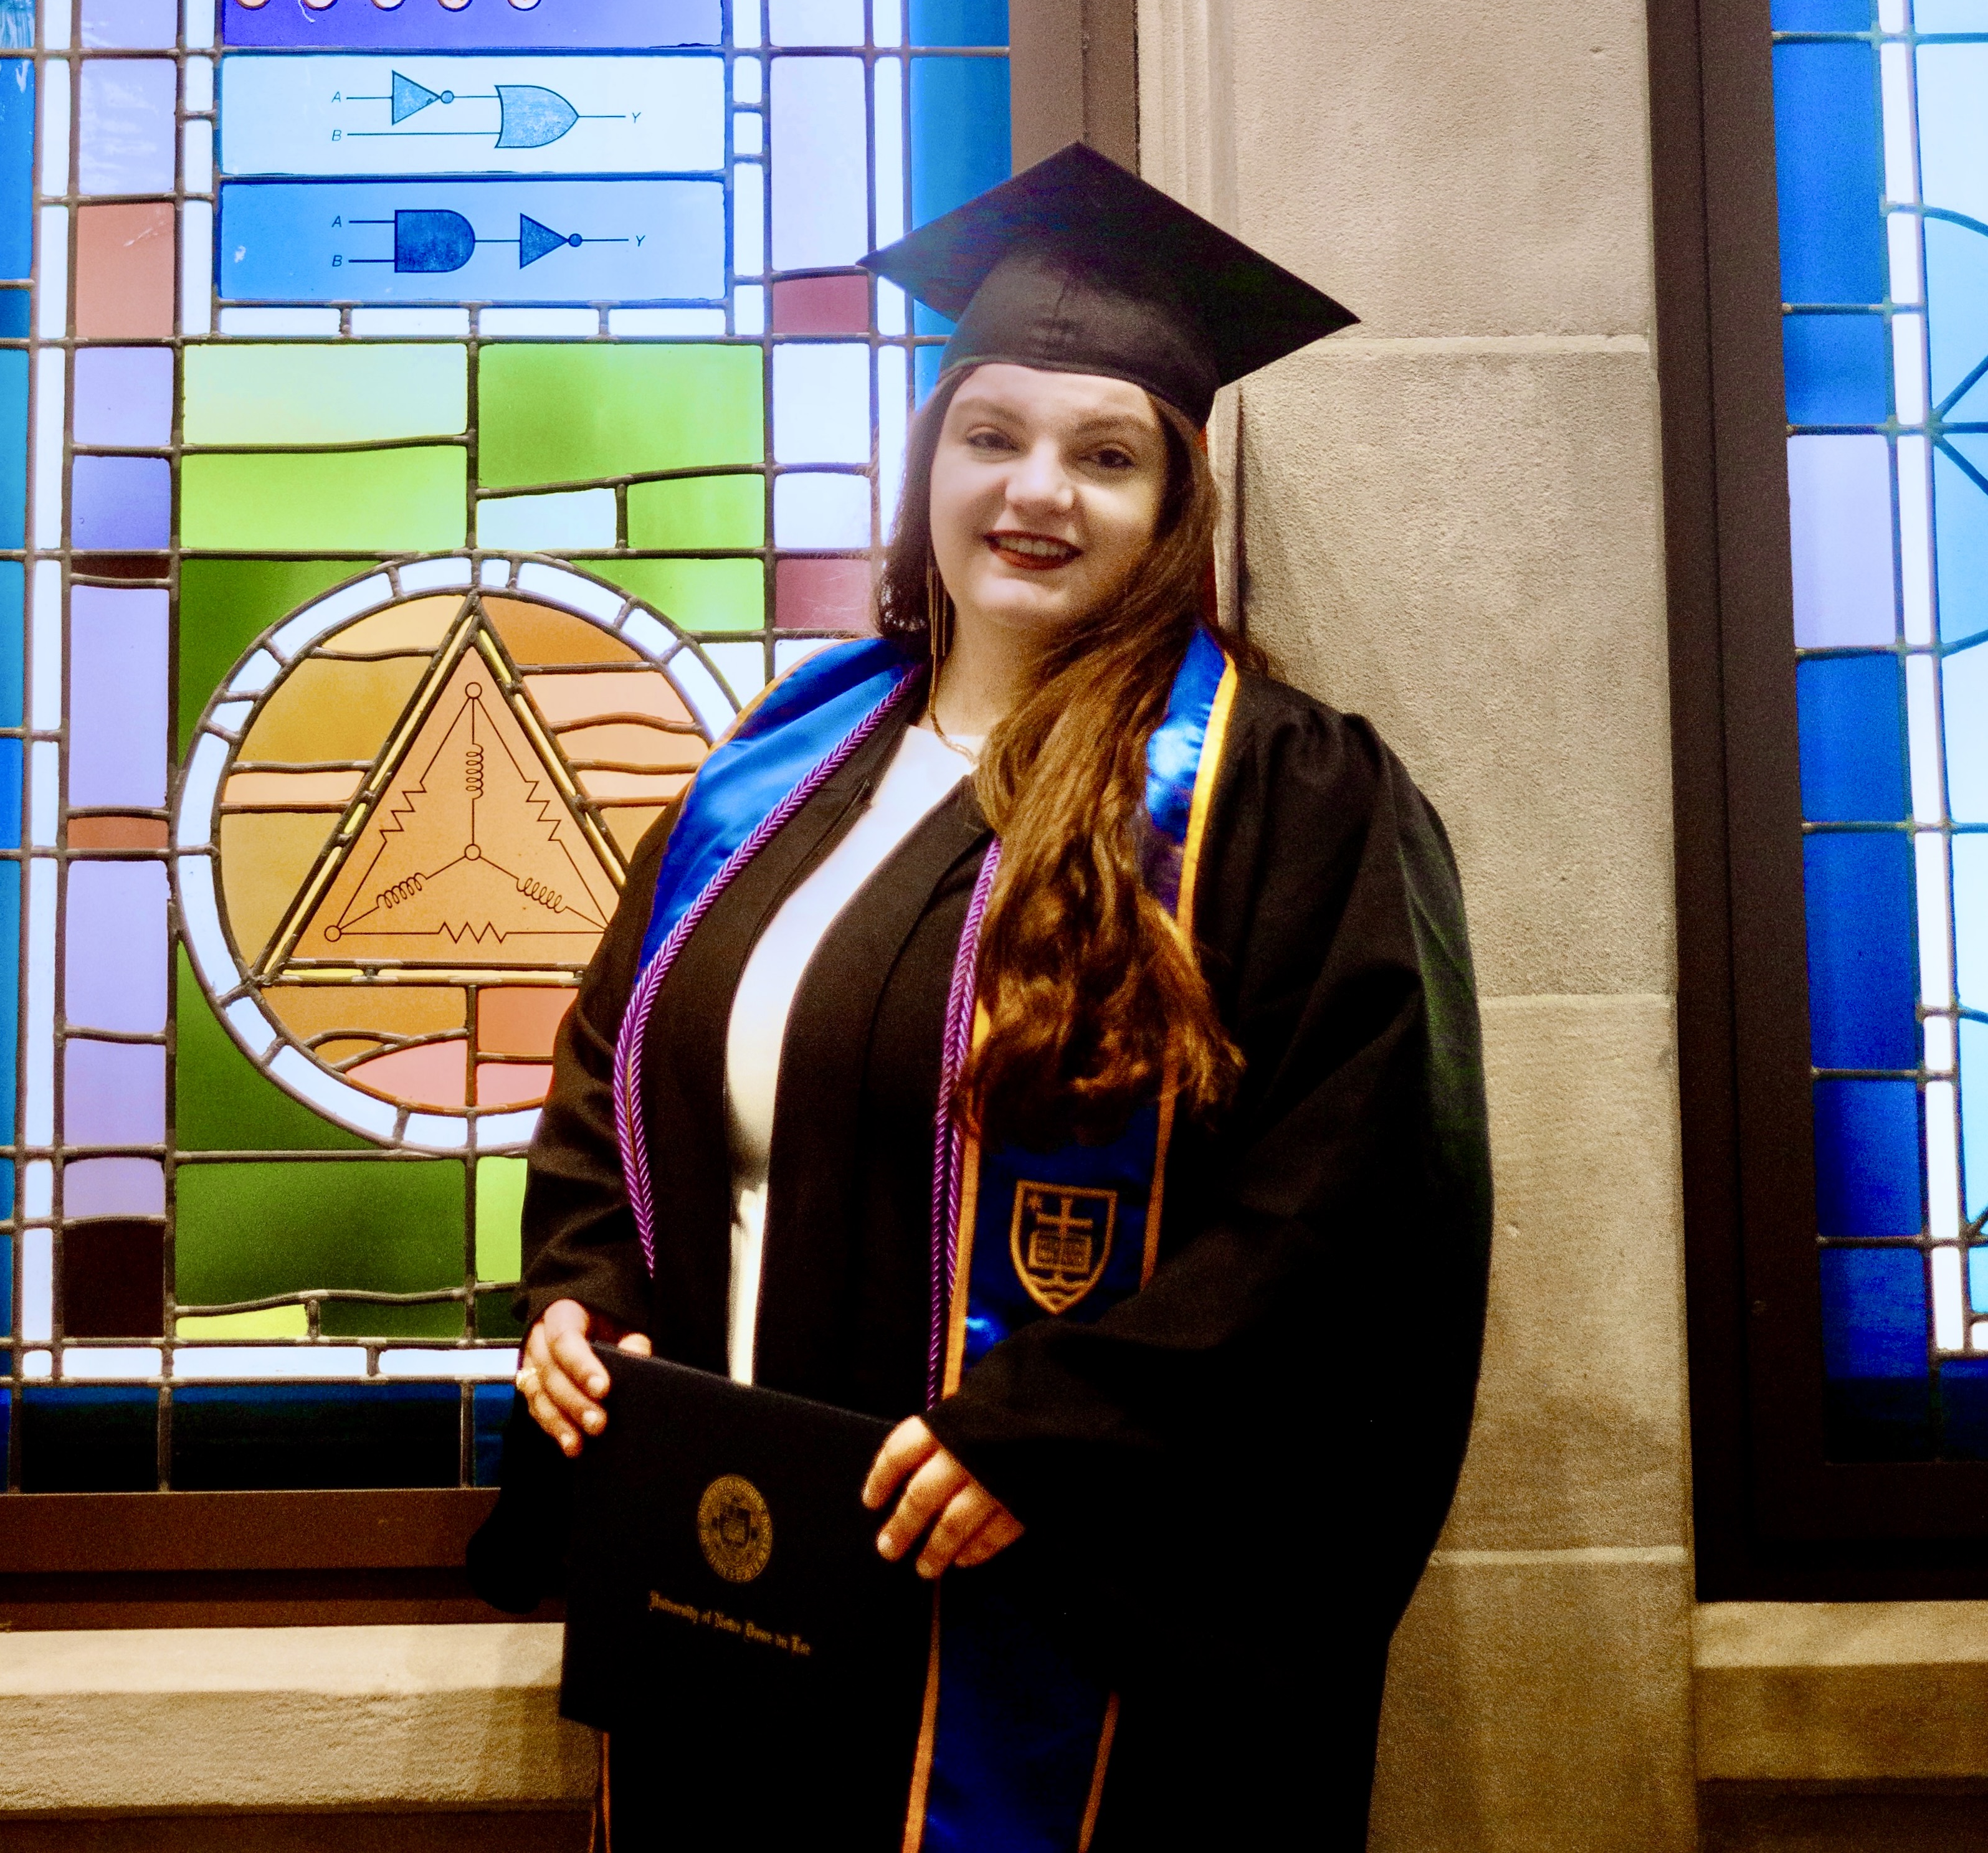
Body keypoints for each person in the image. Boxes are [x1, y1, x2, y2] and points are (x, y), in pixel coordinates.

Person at [467, 144, 1492, 1851]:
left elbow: (1359, 1208)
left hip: (1065, 1611)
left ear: (1176, 507)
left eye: (1107, 456)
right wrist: (582, 1301)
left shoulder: (1285, 800)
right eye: (993, 435)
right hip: (738, 1582)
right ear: (929, 461)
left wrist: (1058, 1434)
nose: (1039, 492)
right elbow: (616, 1065)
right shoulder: (784, 769)